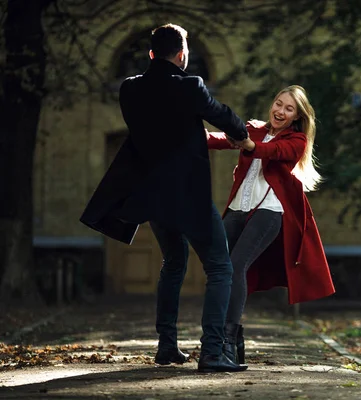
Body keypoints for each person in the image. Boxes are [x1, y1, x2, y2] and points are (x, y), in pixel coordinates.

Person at [80, 24, 248, 373]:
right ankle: (213, 352)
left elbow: (155, 126)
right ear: (182, 54)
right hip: (189, 196)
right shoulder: (191, 86)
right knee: (220, 267)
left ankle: (167, 346)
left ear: (152, 54)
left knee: (173, 262)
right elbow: (224, 116)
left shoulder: (129, 89)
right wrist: (241, 134)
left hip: (153, 198)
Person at [206, 85, 336, 364]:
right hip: (239, 207)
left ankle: (227, 341)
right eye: (279, 104)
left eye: (289, 109)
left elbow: (272, 151)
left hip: (269, 211)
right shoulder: (253, 129)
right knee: (218, 265)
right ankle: (229, 338)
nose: (281, 111)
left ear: (296, 117)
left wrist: (249, 144)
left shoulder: (297, 140)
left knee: (237, 264)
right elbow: (221, 138)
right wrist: (196, 136)